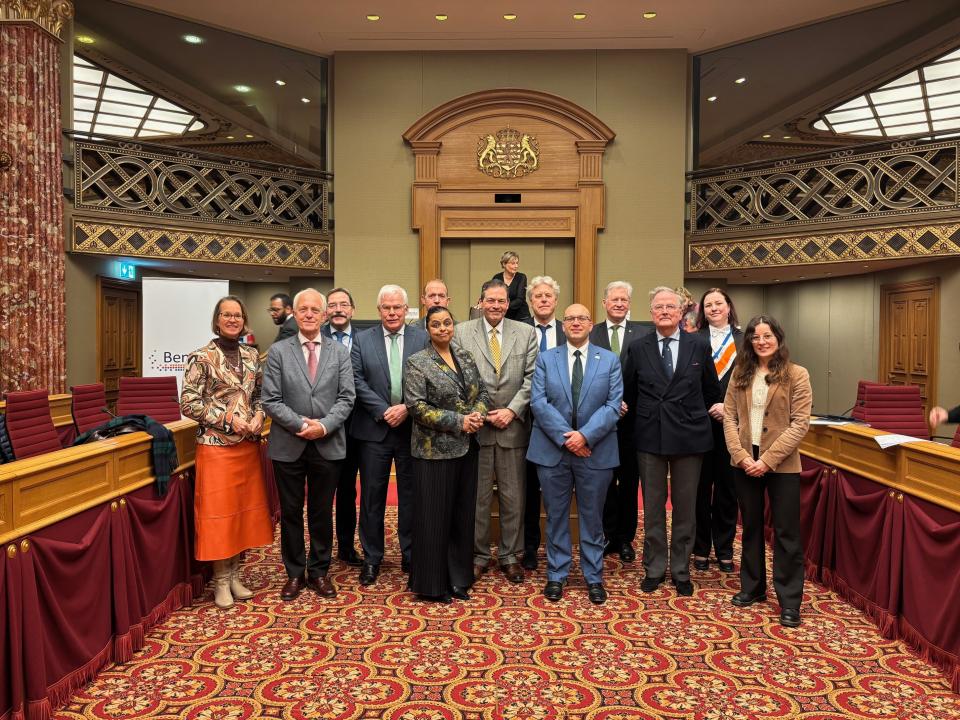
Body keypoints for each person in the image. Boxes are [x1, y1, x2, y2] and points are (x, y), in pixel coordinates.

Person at [622, 286, 721, 597]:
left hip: (689, 435)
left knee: (685, 507)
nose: (664, 311)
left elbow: (711, 390)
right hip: (650, 434)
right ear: (651, 313)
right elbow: (628, 392)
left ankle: (680, 569)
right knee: (652, 507)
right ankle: (654, 567)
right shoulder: (638, 347)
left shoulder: (698, 345)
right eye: (658, 307)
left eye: (670, 307)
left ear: (681, 313)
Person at [180, 296, 275, 610]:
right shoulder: (201, 357)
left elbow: (259, 394)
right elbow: (188, 402)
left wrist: (260, 415)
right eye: (226, 315)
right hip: (216, 446)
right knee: (218, 516)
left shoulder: (251, 355)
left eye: (237, 315)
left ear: (244, 320)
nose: (233, 320)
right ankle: (220, 581)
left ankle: (235, 575)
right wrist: (227, 419)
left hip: (247, 445)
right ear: (217, 320)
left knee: (241, 513)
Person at [262, 288, 356, 601]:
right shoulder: (279, 351)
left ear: (324, 314)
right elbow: (271, 400)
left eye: (316, 310)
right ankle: (294, 573)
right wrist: (302, 425)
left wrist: (324, 426)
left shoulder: (339, 352)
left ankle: (318, 571)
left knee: (321, 511)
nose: (309, 314)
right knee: (290, 511)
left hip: (328, 443)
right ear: (295, 313)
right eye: (303, 309)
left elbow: (347, 398)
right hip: (288, 443)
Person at [528, 304, 622, 604]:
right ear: (563, 325)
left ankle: (594, 577)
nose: (576, 323)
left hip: (596, 451)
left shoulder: (609, 360)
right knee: (555, 516)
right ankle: (557, 574)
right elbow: (538, 402)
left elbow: (613, 405)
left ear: (591, 324)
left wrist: (584, 436)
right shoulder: (546, 358)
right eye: (570, 319)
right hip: (552, 451)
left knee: (592, 518)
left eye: (582, 318)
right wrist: (568, 438)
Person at [723, 315, 812, 627]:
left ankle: (789, 600)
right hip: (744, 462)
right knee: (750, 527)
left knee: (786, 532)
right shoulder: (740, 372)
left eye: (767, 336)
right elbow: (729, 417)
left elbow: (800, 423)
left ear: (778, 338)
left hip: (782, 464)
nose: (761, 342)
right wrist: (741, 456)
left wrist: (767, 460)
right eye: (755, 337)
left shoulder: (797, 374)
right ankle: (753, 587)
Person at [405, 306, 490, 603]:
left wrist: (477, 416)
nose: (443, 328)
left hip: (467, 449)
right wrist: (459, 421)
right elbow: (416, 407)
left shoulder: (465, 356)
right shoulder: (417, 362)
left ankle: (459, 579)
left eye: (447, 323)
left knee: (461, 517)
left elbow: (482, 393)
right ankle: (432, 584)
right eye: (436, 324)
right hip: (433, 453)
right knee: (433, 520)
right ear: (427, 329)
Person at [455, 278, 538, 583]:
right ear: (481, 302)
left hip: (512, 427)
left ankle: (510, 555)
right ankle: (477, 555)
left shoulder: (526, 333)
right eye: (490, 300)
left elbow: (532, 378)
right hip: (476, 429)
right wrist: (477, 412)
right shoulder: (462, 332)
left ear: (508, 304)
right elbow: (458, 376)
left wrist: (511, 411)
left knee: (513, 497)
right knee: (476, 499)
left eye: (501, 301)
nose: (496, 306)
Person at [351, 285, 430, 586]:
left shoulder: (422, 338)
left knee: (411, 496)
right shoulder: (362, 340)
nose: (392, 312)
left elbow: (429, 379)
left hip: (412, 430)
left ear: (407, 310)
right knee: (372, 497)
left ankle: (410, 554)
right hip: (374, 430)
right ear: (379, 310)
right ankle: (372, 558)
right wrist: (384, 410)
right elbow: (356, 380)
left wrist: (407, 408)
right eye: (387, 307)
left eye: (398, 307)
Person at [590, 280, 652, 563]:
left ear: (629, 304)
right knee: (603, 481)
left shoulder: (644, 334)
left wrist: (628, 403)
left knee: (629, 482)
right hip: (600, 421)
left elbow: (648, 376)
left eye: (623, 300)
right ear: (604, 303)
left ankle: (625, 538)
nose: (618, 304)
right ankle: (607, 534)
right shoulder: (592, 333)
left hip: (633, 422)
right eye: (614, 299)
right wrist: (610, 403)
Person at [693, 288, 743, 574]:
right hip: (700, 424)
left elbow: (752, 383)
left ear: (728, 307)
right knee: (699, 489)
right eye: (708, 305)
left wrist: (729, 408)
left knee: (728, 490)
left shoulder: (745, 340)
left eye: (718, 303)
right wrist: (707, 407)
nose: (713, 308)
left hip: (734, 425)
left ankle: (724, 548)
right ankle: (700, 548)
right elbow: (687, 382)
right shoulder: (693, 339)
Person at [520, 275, 565, 570]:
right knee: (528, 487)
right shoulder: (519, 331)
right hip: (524, 419)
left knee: (557, 488)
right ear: (530, 301)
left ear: (556, 300)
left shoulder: (569, 330)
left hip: (560, 421)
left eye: (549, 295)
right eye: (538, 296)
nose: (544, 300)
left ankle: (558, 547)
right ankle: (529, 546)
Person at [320, 287, 362, 566]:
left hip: (357, 428)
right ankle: (320, 553)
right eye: (333, 305)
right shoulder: (315, 338)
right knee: (322, 494)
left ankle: (346, 548)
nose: (338, 309)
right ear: (326, 311)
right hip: (324, 427)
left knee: (348, 491)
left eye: (343, 304)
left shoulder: (365, 339)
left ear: (352, 310)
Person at [492, 250, 532, 322]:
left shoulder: (521, 277)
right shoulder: (497, 277)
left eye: (517, 263)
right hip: (504, 316)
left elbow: (519, 300)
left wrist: (503, 306)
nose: (516, 266)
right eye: (513, 263)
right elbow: (493, 295)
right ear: (504, 264)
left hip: (521, 317)